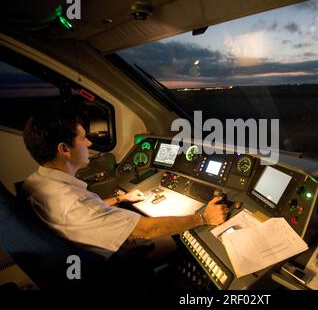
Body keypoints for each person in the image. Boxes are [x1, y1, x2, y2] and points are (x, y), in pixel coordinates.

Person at [22, 111, 228, 259]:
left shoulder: (37, 182)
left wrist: (122, 198)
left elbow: (89, 212)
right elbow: (147, 230)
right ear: (64, 149)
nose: (89, 144)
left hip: (76, 253)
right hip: (106, 263)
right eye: (83, 138)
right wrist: (203, 217)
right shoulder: (72, 203)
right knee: (171, 242)